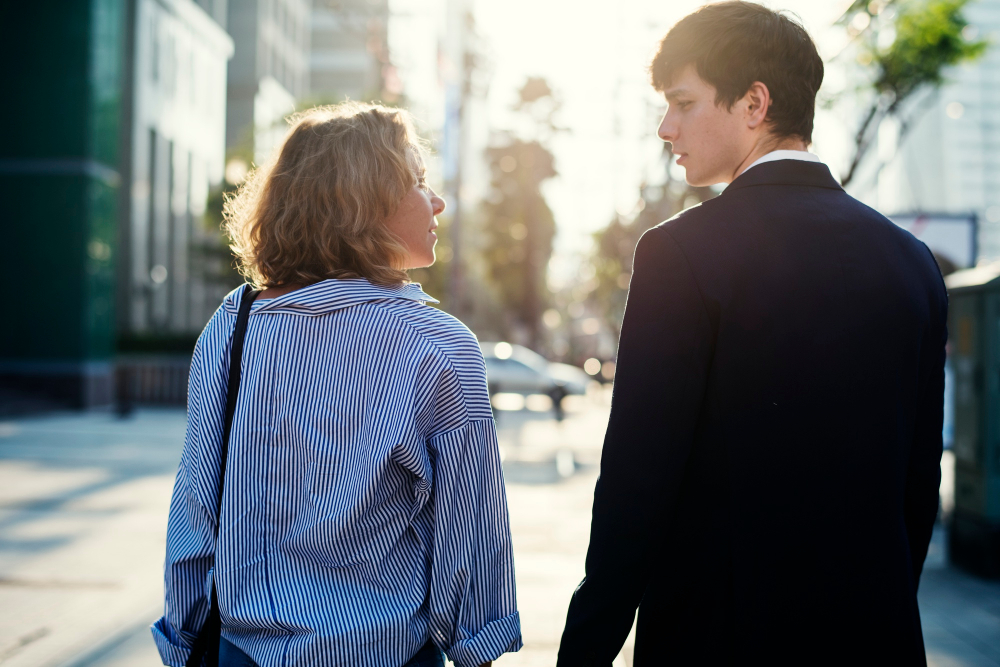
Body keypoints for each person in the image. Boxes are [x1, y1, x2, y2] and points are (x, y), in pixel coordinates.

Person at [558, 3, 946, 665]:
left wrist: (586, 647)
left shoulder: (682, 254)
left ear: (754, 103)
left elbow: (636, 486)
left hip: (718, 637)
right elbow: (917, 482)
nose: (665, 127)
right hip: (874, 636)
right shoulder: (911, 262)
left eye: (683, 102)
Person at [152, 102, 521, 667]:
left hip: (241, 653)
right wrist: (475, 646)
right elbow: (467, 534)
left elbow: (197, 510)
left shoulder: (233, 326)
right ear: (362, 206)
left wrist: (182, 643)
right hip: (386, 652)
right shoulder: (438, 346)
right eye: (419, 182)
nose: (437, 201)